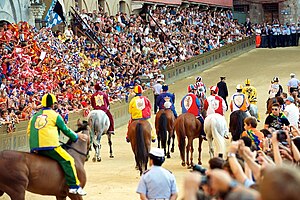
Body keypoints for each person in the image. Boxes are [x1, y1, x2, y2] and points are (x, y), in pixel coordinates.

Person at [27, 93, 87, 195]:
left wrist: (35, 146)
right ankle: (73, 186)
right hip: (50, 146)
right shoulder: (55, 115)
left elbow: (29, 131)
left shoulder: (34, 116)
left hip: (35, 148)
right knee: (68, 160)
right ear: (53, 104)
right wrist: (76, 136)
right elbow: (65, 130)